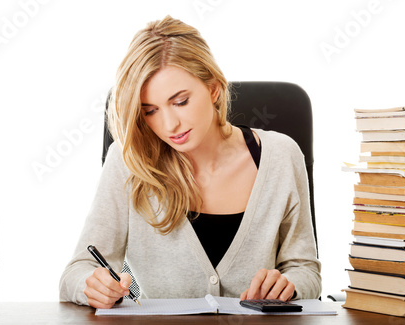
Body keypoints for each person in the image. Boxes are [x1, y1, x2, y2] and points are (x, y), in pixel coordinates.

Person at [59, 16, 321, 309]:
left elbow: (305, 269)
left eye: (180, 101)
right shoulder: (129, 162)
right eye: (150, 111)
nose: (170, 124)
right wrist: (90, 286)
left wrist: (290, 285)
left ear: (213, 88)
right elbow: (75, 273)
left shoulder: (282, 156)